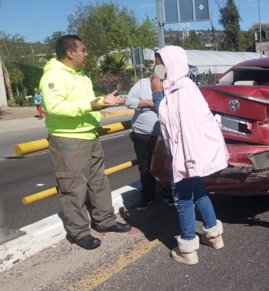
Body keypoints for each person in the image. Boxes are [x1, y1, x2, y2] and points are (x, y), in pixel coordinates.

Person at [39, 35, 132, 250]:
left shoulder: (80, 76)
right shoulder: (54, 76)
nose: (86, 53)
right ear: (70, 52)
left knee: (98, 181)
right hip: (69, 139)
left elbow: (85, 103)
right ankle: (79, 232)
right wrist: (91, 106)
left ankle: (105, 221)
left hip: (89, 135)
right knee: (73, 188)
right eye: (83, 49)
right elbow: (55, 107)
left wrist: (102, 101)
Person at [150, 45, 228, 266]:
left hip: (186, 154)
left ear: (170, 65)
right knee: (199, 192)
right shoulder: (187, 86)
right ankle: (214, 235)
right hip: (195, 152)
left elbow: (166, 120)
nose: (157, 69)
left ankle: (188, 248)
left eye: (160, 64)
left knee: (183, 199)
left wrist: (157, 95)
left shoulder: (177, 91)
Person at [125, 78, 175, 210]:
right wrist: (147, 102)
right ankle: (147, 196)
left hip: (165, 135)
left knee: (166, 165)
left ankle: (167, 192)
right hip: (142, 134)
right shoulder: (142, 83)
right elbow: (128, 101)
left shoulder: (172, 82)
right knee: (145, 167)